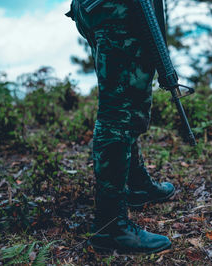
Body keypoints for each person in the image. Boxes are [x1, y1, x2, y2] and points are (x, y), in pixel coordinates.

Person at [66, 0, 174, 254]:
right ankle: (110, 225)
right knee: (118, 111)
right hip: (116, 8)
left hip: (105, 8)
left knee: (128, 105)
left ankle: (136, 184)